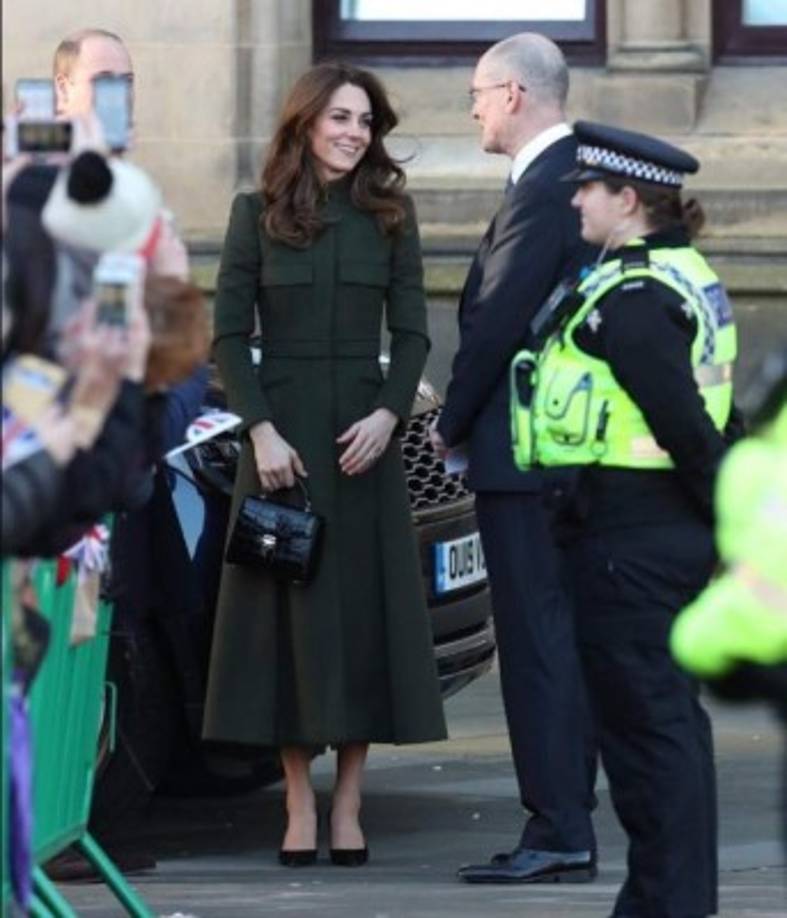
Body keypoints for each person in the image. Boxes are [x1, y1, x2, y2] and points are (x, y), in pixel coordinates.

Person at [202, 62, 447, 867]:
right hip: (281, 448)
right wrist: (261, 432)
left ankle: (348, 802)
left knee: (359, 619)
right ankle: (297, 802)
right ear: (304, 123)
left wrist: (387, 413)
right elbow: (228, 337)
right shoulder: (256, 214)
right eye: (340, 118)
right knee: (286, 623)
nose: (354, 133)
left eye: (365, 122)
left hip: (362, 445)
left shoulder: (390, 217)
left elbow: (412, 334)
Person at [514, 120, 739, 917]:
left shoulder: (636, 299)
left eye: (587, 188)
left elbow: (685, 426)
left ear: (628, 199)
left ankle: (667, 905)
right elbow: (720, 418)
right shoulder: (673, 274)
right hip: (645, 535)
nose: (574, 198)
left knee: (649, 743)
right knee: (664, 732)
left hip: (629, 540)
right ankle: (664, 902)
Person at [429, 33, 597, 883]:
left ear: (513, 95)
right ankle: (565, 816)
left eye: (476, 93)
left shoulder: (544, 186)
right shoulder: (568, 177)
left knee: (535, 641)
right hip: (552, 457)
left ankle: (558, 826)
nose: (470, 108)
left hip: (523, 457)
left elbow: (495, 320)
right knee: (553, 636)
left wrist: (449, 421)